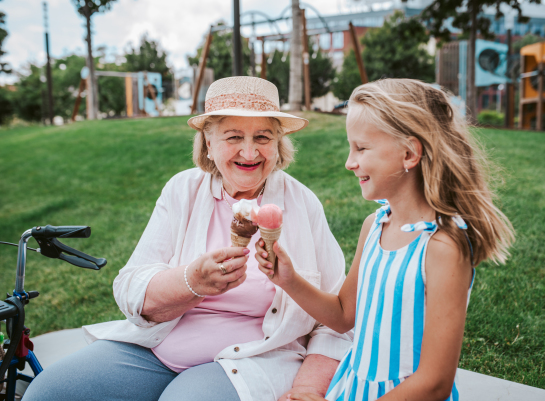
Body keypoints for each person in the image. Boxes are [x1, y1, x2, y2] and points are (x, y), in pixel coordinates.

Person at [23, 77, 352, 401]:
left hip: (249, 360)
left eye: (263, 137)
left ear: (278, 143)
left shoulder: (301, 202)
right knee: (48, 392)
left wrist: (307, 389)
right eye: (233, 136)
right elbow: (130, 289)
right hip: (156, 347)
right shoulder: (182, 190)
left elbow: (338, 322)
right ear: (209, 143)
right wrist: (192, 281)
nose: (249, 152)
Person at [255, 79, 515, 401]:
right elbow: (342, 315)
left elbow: (435, 383)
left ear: (409, 153)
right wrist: (289, 280)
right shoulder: (375, 226)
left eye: (361, 148)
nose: (350, 162)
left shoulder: (442, 247)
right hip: (354, 390)